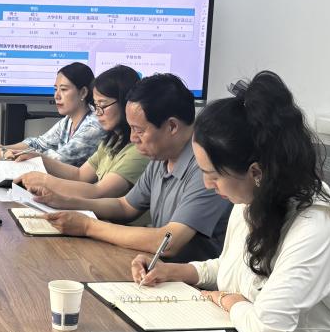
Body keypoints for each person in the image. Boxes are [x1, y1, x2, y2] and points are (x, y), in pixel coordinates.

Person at [132, 72, 330, 332]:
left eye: (213, 175)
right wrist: (177, 271)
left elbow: (266, 330)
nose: (207, 184)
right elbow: (231, 266)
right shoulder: (250, 200)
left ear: (256, 172)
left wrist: (226, 300)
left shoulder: (316, 226)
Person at [41, 73, 230, 262]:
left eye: (139, 130)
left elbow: (169, 242)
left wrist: (87, 226)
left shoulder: (206, 168)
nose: (132, 138)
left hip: (188, 277)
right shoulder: (162, 156)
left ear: (172, 126)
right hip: (156, 267)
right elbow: (125, 206)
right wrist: (66, 202)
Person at [15, 65, 150, 207]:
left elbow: (98, 192)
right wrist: (39, 158)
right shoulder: (112, 140)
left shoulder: (138, 150)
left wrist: (45, 181)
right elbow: (80, 175)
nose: (97, 113)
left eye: (103, 105)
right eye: (96, 105)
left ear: (126, 104)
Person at [0, 62, 105, 166]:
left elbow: (58, 159)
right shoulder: (68, 120)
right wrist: (4, 148)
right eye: (55, 89)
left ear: (83, 92)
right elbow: (38, 144)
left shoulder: (93, 126)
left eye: (63, 89)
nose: (56, 96)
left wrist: (5, 154)